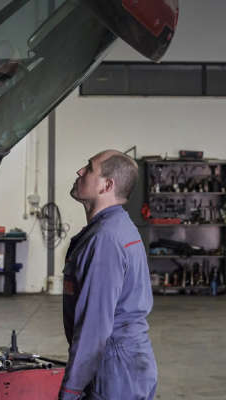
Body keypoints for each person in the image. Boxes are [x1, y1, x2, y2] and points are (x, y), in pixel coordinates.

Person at [58, 150, 157, 400]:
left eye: (89, 168)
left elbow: (94, 327)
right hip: (129, 364)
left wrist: (70, 390)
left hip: (113, 370)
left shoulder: (105, 239)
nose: (80, 172)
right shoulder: (116, 227)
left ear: (107, 185)